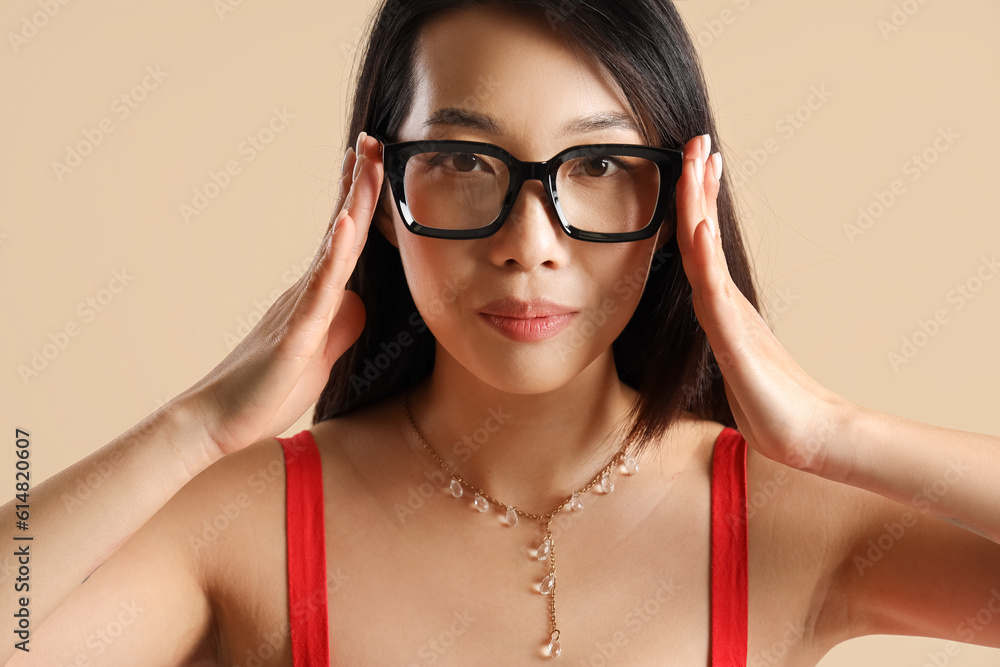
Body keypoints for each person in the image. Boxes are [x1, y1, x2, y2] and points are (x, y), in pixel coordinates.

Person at [3, 1, 999, 665]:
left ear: (680, 196)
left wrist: (832, 434)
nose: (530, 242)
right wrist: (194, 429)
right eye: (465, 160)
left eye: (600, 167)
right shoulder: (247, 520)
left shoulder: (795, 516)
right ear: (380, 193)